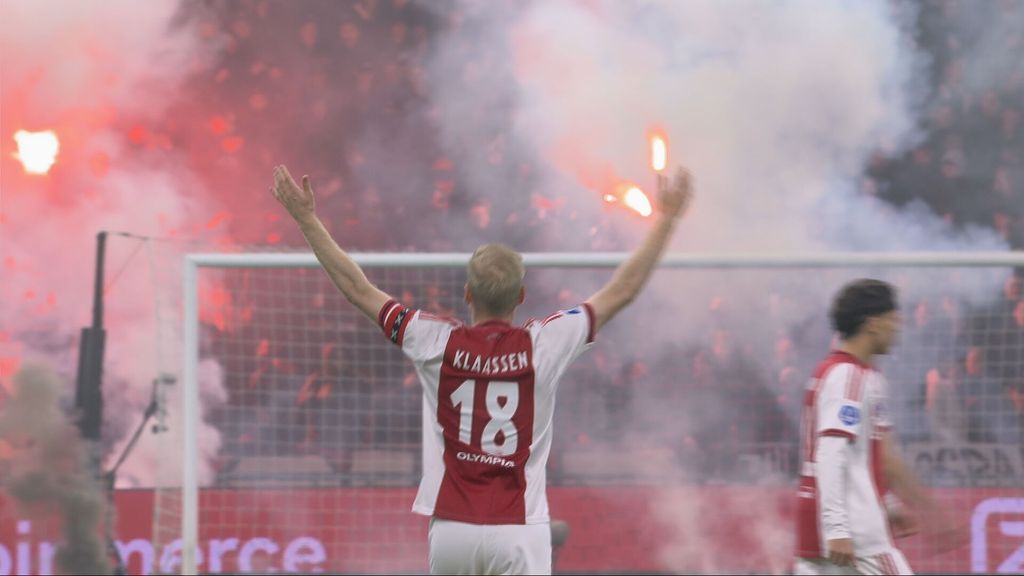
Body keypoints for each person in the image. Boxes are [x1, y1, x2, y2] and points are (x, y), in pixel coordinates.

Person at [271, 164, 693, 575]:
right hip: (519, 529)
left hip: (454, 531)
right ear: (522, 295)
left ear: (467, 292)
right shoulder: (545, 343)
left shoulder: (433, 339)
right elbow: (623, 290)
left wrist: (306, 219)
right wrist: (667, 220)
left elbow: (357, 288)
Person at [794, 279, 955, 575]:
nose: (899, 327)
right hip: (857, 532)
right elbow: (830, 454)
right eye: (894, 319)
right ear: (872, 324)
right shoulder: (849, 376)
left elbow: (866, 456)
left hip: (826, 525)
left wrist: (889, 503)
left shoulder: (849, 374)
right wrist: (837, 528)